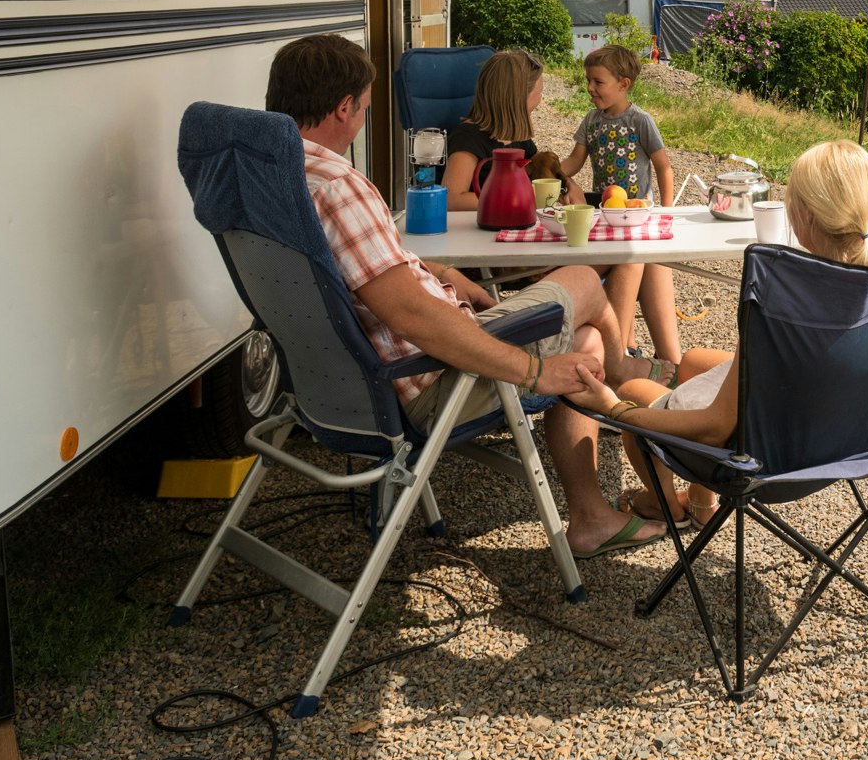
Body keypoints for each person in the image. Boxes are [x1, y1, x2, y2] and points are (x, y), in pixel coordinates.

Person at [267, 33, 661, 559]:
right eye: (363, 107)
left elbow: (366, 269)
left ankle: (598, 485)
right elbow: (410, 313)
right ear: (343, 107)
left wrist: (444, 274)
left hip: (337, 383)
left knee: (585, 335)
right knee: (585, 285)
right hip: (427, 380)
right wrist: (530, 371)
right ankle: (621, 394)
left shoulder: (275, 174)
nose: (362, 117)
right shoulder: (341, 186)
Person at [572, 139, 868, 529]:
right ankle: (700, 503)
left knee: (635, 392)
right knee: (691, 362)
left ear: (803, 217)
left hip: (772, 455)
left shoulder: (782, 297)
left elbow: (715, 427)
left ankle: (666, 506)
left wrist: (615, 409)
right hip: (848, 433)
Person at [562, 43, 685, 369]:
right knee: (623, 268)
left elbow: (663, 166)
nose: (590, 88)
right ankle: (626, 346)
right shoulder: (591, 121)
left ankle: (627, 345)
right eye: (588, 80)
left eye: (597, 82)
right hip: (605, 212)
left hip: (638, 211)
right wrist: (548, 171)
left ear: (623, 84)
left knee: (633, 264)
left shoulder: (640, 120)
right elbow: (575, 161)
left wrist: (666, 209)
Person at [440, 46, 543, 210]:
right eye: (539, 92)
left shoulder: (516, 136)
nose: (540, 99)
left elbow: (541, 169)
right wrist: (515, 199)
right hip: (477, 230)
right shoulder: (469, 138)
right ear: (518, 99)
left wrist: (568, 185)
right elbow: (451, 198)